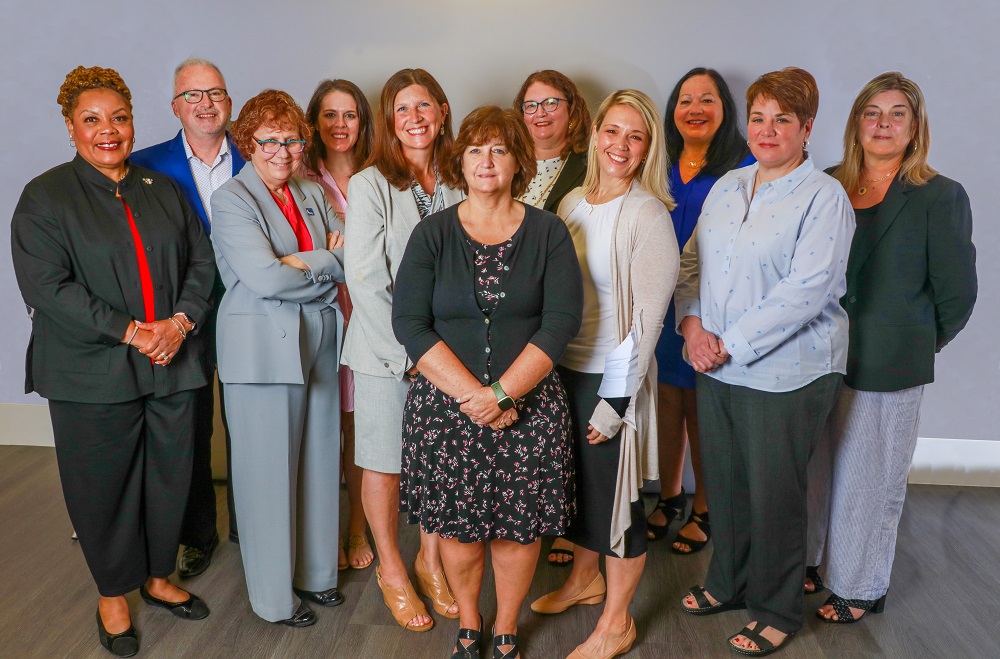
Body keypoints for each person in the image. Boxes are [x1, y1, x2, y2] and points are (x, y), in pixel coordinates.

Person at [11, 65, 216, 657]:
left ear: (133, 121)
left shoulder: (162, 190)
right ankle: (112, 592)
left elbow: (202, 264)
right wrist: (131, 332)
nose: (108, 131)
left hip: (173, 360)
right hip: (90, 371)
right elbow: (48, 287)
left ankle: (157, 576)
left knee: (171, 477)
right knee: (102, 485)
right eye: (92, 120)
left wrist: (178, 324)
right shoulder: (45, 196)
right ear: (70, 126)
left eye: (119, 118)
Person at [674, 67, 855, 656]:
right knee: (723, 483)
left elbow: (808, 291)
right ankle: (727, 582)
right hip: (716, 361)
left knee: (774, 491)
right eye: (758, 118)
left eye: (783, 120)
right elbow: (694, 264)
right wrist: (694, 325)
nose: (767, 129)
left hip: (789, 370)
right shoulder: (729, 186)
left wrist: (728, 343)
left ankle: (776, 609)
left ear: (807, 128)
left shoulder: (823, 197)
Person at [393, 105, 583, 659]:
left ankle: (505, 628)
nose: (486, 159)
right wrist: (474, 397)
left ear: (517, 160)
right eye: (475, 149)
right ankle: (470, 624)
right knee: (460, 530)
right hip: (447, 410)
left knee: (518, 531)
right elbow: (408, 321)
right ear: (460, 161)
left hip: (528, 408)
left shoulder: (549, 232)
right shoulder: (432, 234)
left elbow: (561, 321)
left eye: (499, 148)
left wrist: (501, 394)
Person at [806, 72, 976, 624]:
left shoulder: (940, 194)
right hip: (817, 355)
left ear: (915, 126)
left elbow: (958, 293)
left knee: (868, 477)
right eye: (872, 112)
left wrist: (918, 341)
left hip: (890, 361)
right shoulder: (827, 184)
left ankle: (858, 584)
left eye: (896, 113)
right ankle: (813, 562)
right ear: (856, 122)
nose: (883, 123)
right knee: (814, 470)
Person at [530, 89, 678, 659]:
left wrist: (616, 401)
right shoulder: (571, 203)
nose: (621, 145)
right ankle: (583, 582)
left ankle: (616, 623)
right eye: (612, 131)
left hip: (611, 377)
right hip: (563, 368)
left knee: (617, 503)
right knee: (579, 492)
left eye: (635, 136)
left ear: (647, 148)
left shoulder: (647, 214)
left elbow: (646, 320)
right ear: (594, 135)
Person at [210, 89, 346, 627]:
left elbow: (349, 256)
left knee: (318, 462)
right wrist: (327, 262)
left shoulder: (312, 192)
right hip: (261, 349)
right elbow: (264, 276)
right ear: (248, 142)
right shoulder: (232, 199)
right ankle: (273, 599)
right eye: (268, 140)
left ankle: (317, 575)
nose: (282, 151)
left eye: (291, 139)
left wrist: (309, 262)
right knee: (267, 477)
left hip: (318, 341)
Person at [342, 68, 465, 632]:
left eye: (423, 107)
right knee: (386, 465)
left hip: (452, 353)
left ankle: (431, 559)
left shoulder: (462, 178)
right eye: (401, 110)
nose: (414, 119)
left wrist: (449, 354)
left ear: (441, 111)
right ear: (391, 122)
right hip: (387, 352)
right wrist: (412, 353)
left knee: (440, 465)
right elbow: (365, 279)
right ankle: (393, 568)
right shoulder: (371, 184)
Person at [131, 57, 247, 577]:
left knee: (249, 425)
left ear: (229, 101)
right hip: (184, 313)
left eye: (215, 92)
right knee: (190, 428)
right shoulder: (146, 165)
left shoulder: (263, 152)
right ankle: (197, 535)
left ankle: (252, 527)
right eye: (193, 95)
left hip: (252, 310)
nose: (205, 103)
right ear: (175, 106)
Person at [648, 68, 754, 553]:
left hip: (714, 304)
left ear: (724, 109)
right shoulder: (659, 161)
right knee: (667, 401)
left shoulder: (745, 165)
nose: (695, 109)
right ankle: (669, 496)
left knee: (703, 407)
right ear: (673, 110)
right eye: (685, 99)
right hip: (658, 297)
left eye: (707, 99)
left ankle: (706, 505)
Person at [512, 69, 591, 567]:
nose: (541, 114)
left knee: (567, 423)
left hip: (567, 310)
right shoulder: (507, 163)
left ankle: (567, 523)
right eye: (531, 105)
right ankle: (528, 516)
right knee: (526, 422)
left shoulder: (588, 167)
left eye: (551, 103)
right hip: (514, 315)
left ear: (572, 110)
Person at [300, 78, 376, 571]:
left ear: (363, 122)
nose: (340, 125)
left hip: (373, 314)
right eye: (329, 115)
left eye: (349, 115)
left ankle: (358, 525)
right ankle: (324, 529)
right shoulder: (301, 178)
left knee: (366, 427)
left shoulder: (383, 174)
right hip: (324, 313)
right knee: (329, 423)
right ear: (315, 123)